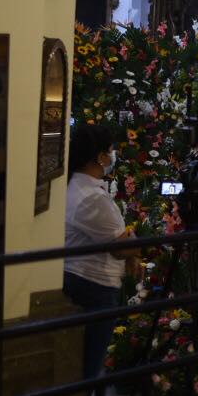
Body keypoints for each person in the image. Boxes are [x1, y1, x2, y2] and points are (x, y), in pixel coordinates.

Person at [63, 124, 139, 380]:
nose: (113, 155)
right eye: (110, 150)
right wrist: (133, 247)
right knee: (89, 364)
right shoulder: (90, 198)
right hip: (94, 285)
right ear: (100, 157)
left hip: (84, 279)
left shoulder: (79, 186)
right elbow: (121, 249)